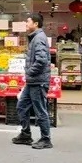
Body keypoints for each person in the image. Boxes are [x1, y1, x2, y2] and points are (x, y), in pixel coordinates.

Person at [12, 13, 52, 150]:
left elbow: (41, 60)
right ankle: (25, 134)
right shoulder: (34, 38)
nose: (26, 23)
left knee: (40, 110)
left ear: (35, 24)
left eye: (28, 21)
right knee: (21, 106)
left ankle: (46, 139)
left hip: (38, 81)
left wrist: (29, 72)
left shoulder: (39, 38)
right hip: (32, 81)